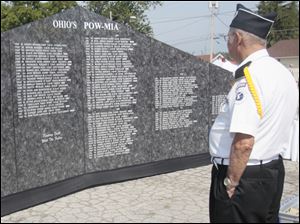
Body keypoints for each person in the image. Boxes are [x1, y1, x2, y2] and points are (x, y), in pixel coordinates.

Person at [208, 3, 299, 223]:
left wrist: (231, 183)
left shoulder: (250, 78)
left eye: (227, 38)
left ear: (237, 38)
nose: (227, 43)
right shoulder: (281, 72)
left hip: (244, 179)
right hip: (271, 171)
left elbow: (243, 142)